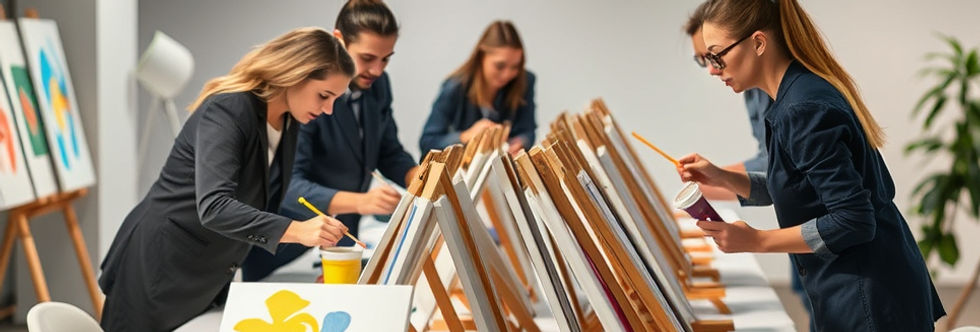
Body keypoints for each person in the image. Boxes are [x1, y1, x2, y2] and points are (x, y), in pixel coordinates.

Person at [678, 0, 945, 330]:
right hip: (863, 285)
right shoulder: (795, 94)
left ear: (758, 43)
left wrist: (757, 241)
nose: (713, 69)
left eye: (717, 55)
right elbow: (793, 187)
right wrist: (721, 176)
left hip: (868, 295)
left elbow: (853, 219)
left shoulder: (800, 109)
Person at [98, 27, 354, 331]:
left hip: (207, 276)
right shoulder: (229, 109)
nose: (328, 110)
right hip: (158, 270)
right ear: (294, 74)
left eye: (335, 99)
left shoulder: (289, 122)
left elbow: (262, 209)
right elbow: (215, 207)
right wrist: (298, 231)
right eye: (324, 96)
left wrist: (316, 247)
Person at [241, 0, 418, 282]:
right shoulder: (310, 94)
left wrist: (418, 176)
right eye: (368, 58)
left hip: (337, 239)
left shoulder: (379, 86)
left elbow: (388, 149)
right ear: (339, 41)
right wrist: (361, 202)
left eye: (386, 59)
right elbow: (289, 185)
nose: (377, 70)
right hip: (277, 241)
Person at [419, 20, 536, 157]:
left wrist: (521, 142)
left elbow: (528, 130)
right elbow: (427, 142)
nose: (507, 74)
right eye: (499, 66)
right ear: (481, 56)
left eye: (515, 67)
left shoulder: (524, 81)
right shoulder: (454, 87)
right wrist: (465, 136)